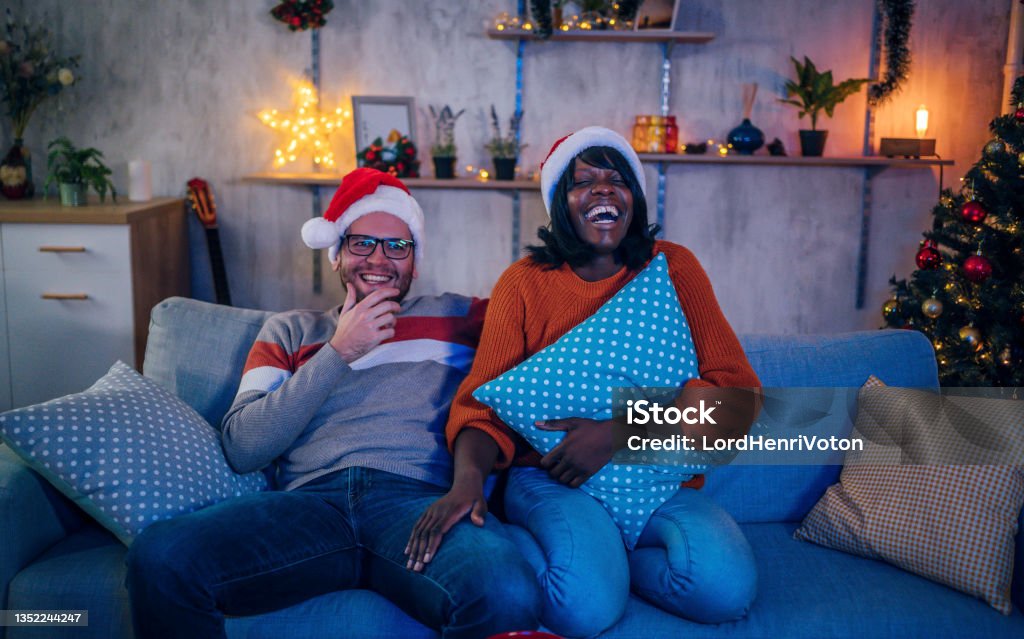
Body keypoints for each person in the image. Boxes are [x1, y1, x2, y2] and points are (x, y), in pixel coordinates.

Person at [126, 168, 540, 639]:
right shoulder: (291, 330)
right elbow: (243, 447)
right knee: (160, 556)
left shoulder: (461, 316)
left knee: (506, 588)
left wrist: (625, 429)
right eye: (362, 243)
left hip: (419, 503)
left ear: (415, 262)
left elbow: (561, 335)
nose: (379, 259)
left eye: (397, 246)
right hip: (310, 508)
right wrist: (339, 352)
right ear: (337, 256)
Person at [408, 127, 761, 637]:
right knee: (584, 610)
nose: (601, 189)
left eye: (616, 179)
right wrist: (467, 483)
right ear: (559, 205)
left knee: (725, 591)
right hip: (553, 477)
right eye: (582, 182)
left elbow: (740, 399)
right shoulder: (523, 283)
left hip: (653, 476)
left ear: (634, 200)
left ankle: (611, 560)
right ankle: (583, 557)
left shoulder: (673, 267)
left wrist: (617, 434)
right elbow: (481, 407)